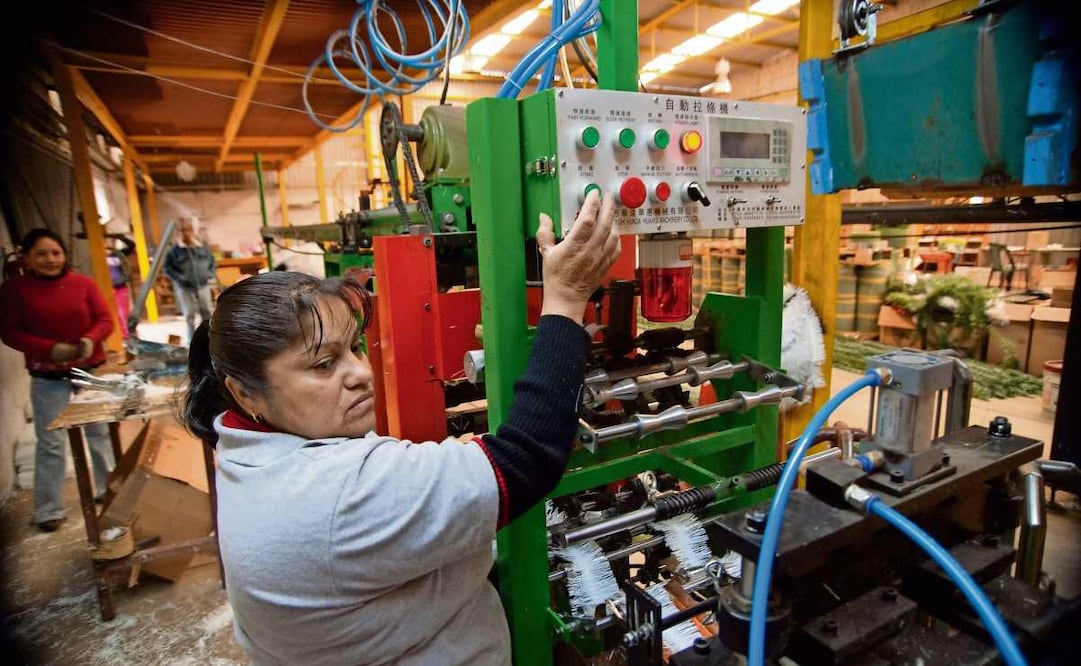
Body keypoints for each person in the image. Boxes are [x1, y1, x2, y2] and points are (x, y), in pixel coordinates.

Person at [181, 191, 620, 665]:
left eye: (354, 348)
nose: (361, 374)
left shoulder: (241, 448)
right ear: (246, 393)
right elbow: (529, 456)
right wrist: (567, 298)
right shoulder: (338, 491)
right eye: (324, 364)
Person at [0, 228, 116, 532]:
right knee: (50, 442)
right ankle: (48, 509)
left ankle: (109, 490)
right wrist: (50, 349)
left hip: (88, 370)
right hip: (47, 376)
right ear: (26, 257)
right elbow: (10, 332)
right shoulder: (15, 289)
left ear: (64, 255)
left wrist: (90, 340)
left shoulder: (83, 284)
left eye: (55, 253)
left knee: (98, 433)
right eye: (41, 253)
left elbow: (105, 320)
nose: (50, 259)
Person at [163, 217, 216, 341]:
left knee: (207, 313)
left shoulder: (201, 248)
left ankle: (209, 340)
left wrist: (209, 273)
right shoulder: (174, 251)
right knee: (189, 315)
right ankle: (192, 341)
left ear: (192, 232)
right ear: (178, 233)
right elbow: (167, 268)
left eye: (188, 230)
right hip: (185, 287)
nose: (185, 233)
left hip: (203, 285)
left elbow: (212, 261)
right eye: (182, 231)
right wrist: (180, 277)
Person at [105, 234, 136, 339]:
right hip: (107, 289)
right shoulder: (99, 255)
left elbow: (132, 245)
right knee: (114, 314)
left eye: (112, 241)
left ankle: (129, 335)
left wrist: (121, 237)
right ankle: (122, 336)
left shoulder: (119, 254)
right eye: (108, 241)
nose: (110, 243)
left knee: (124, 313)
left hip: (121, 287)